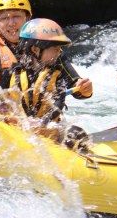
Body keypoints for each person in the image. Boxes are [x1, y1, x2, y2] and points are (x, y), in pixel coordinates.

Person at [6, 18, 93, 150]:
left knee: (77, 133)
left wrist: (85, 90)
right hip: (18, 127)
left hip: (48, 128)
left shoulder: (58, 67)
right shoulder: (14, 71)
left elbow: (65, 97)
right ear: (35, 49)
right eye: (55, 48)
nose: (59, 52)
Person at [0, 0, 34, 87]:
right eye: (4, 18)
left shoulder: (41, 39)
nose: (11, 23)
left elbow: (70, 78)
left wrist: (75, 82)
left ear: (27, 18)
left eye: (16, 16)